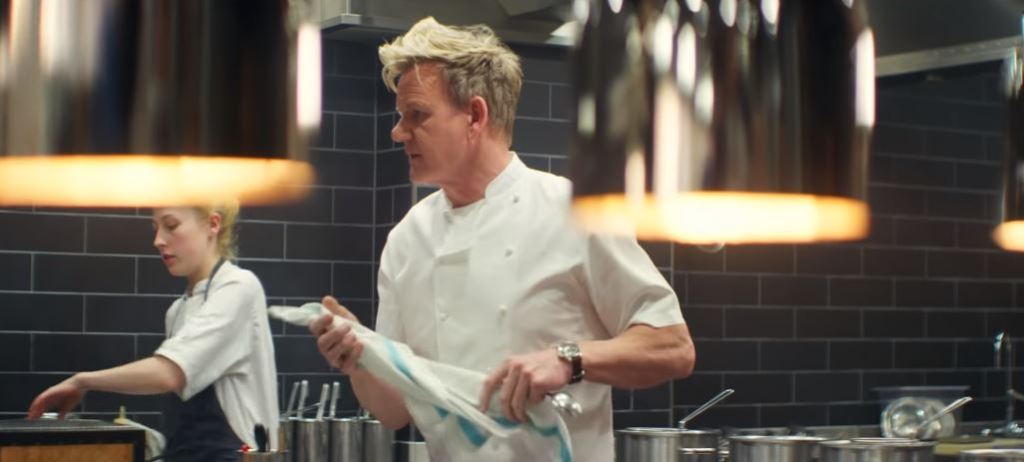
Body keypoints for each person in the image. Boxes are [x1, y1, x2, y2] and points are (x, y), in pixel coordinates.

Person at [309, 17, 696, 462]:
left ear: (475, 116)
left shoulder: (574, 212)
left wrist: (568, 358)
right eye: (401, 116)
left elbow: (673, 347)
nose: (398, 132)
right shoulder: (407, 239)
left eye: (417, 114)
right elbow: (393, 410)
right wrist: (359, 358)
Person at [28, 203, 279, 462]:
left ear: (212, 225)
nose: (158, 240)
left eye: (171, 226)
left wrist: (83, 381)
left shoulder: (239, 287)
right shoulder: (178, 310)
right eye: (155, 228)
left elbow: (169, 373)